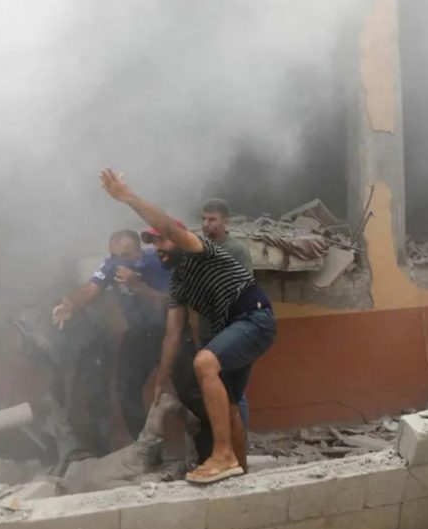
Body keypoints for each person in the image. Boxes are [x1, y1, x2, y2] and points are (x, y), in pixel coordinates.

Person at [99, 168, 277, 484]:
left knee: (203, 363)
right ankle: (240, 473)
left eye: (163, 240)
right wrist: (161, 379)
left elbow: (168, 224)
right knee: (230, 406)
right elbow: (172, 334)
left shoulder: (200, 250)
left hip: (254, 318)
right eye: (154, 242)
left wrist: (128, 198)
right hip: (232, 332)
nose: (159, 247)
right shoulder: (178, 286)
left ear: (180, 240)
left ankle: (222, 455)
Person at [52, 229, 172, 440]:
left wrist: (137, 286)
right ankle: (146, 445)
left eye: (125, 256)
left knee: (188, 389)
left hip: (171, 332)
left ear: (139, 253)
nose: (119, 262)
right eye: (114, 255)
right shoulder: (110, 266)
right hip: (139, 335)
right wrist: (71, 304)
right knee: (126, 392)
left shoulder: (157, 262)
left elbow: (168, 302)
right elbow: (91, 288)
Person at [198, 198, 253, 428]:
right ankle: (222, 441)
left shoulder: (235, 250)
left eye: (212, 219)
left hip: (230, 331)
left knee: (233, 393)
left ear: (225, 222)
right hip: (207, 331)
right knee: (214, 388)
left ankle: (241, 442)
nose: (206, 224)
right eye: (203, 219)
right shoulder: (200, 248)